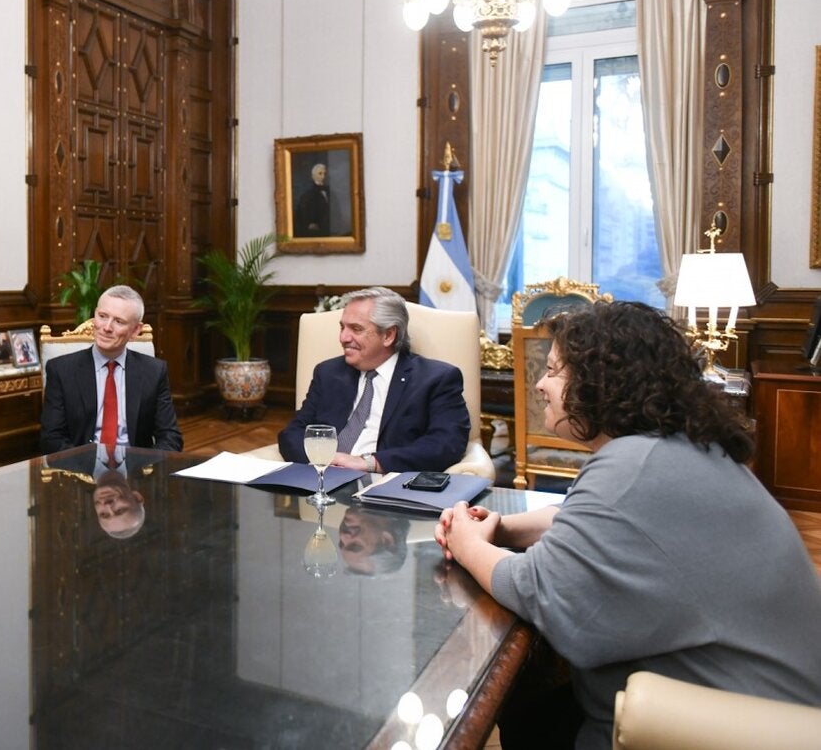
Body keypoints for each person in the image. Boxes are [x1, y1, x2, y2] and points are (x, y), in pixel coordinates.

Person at [435, 301, 821, 749]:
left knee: (523, 689)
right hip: (754, 700)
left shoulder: (633, 465)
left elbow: (537, 588)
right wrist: (503, 529)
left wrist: (467, 543)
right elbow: (585, 519)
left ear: (605, 382)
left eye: (555, 370)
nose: (539, 383)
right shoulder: (672, 450)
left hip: (714, 723)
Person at [278, 286, 469, 472]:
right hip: (321, 478)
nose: (343, 337)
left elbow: (446, 444)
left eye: (356, 329)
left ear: (388, 335)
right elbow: (293, 433)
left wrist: (371, 463)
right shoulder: (328, 373)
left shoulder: (436, 379)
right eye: (342, 327)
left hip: (385, 485)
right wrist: (322, 462)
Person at [40, 285, 182, 453]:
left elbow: (170, 437)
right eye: (102, 316)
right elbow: (51, 439)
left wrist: (143, 469)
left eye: (119, 321)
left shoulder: (154, 371)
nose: (106, 327)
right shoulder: (61, 370)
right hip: (80, 471)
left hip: (136, 471)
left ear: (136, 330)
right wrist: (88, 469)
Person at [294, 162, 332, 237]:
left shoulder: (329, 192)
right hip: (316, 233)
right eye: (320, 173)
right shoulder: (307, 196)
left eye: (324, 173)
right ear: (313, 176)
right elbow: (302, 216)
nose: (323, 176)